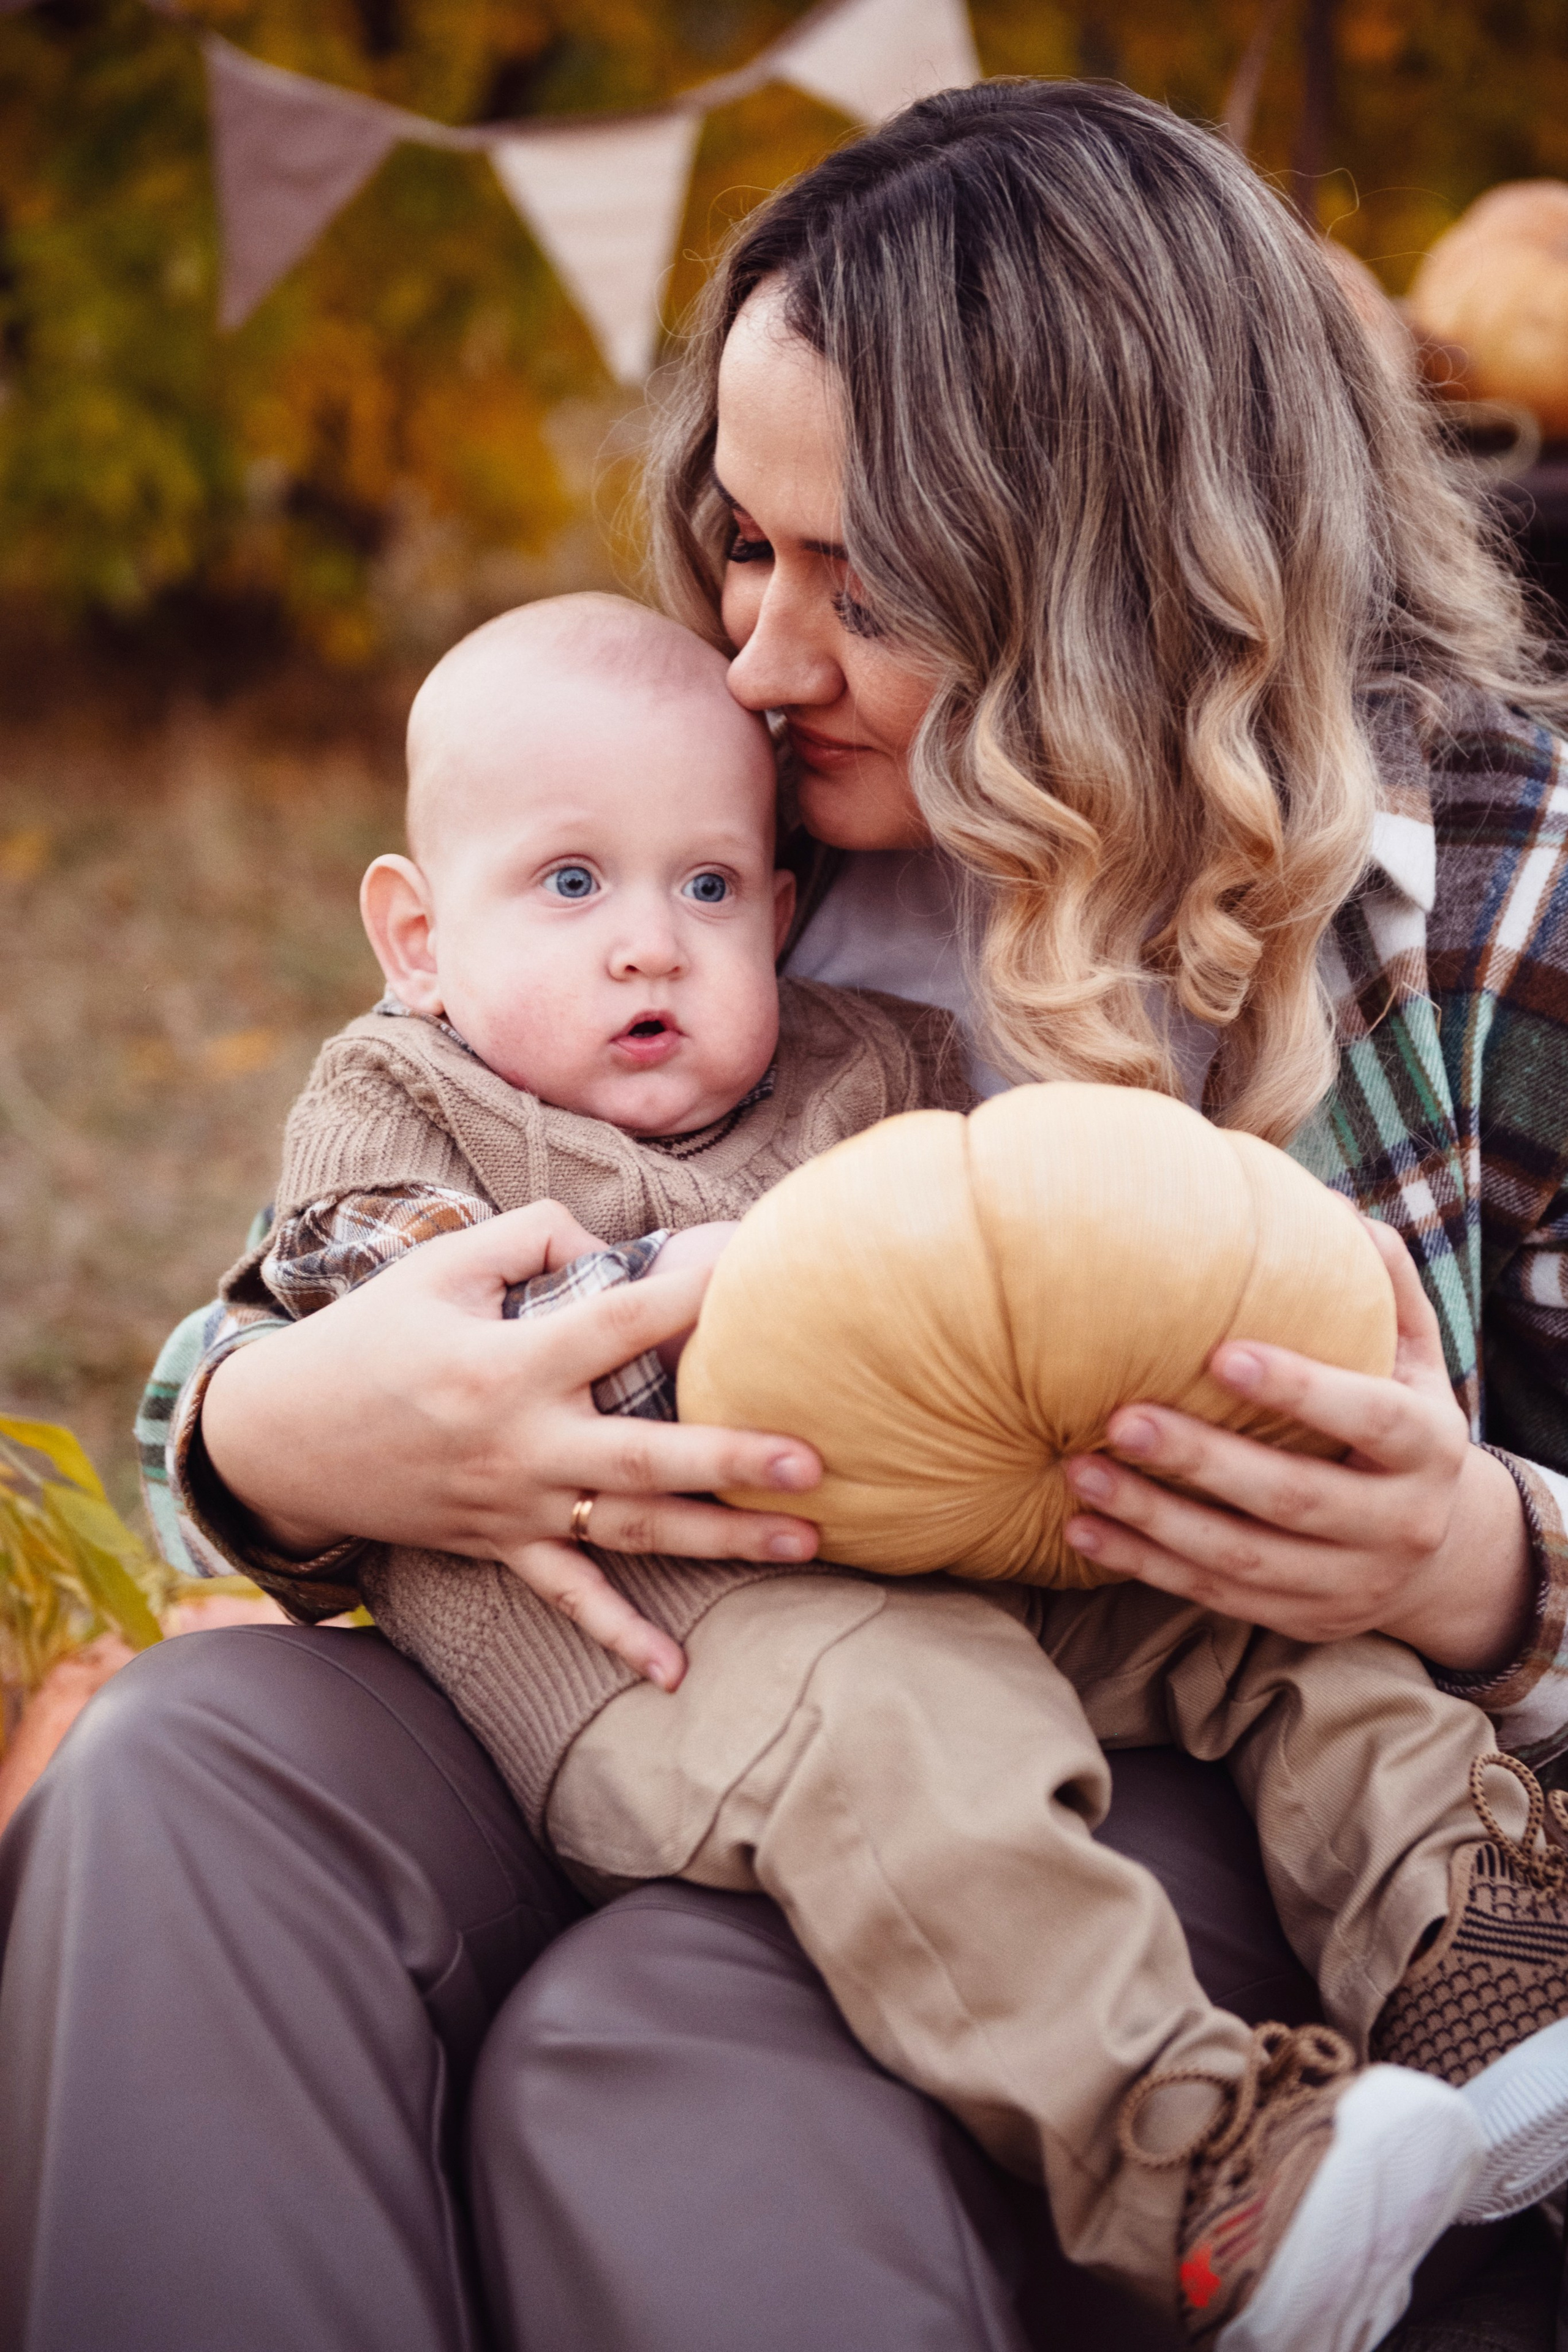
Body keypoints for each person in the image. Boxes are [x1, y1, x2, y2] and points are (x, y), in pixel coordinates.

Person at [5, 74, 1568, 2352]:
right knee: (174, 1783)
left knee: (665, 2036)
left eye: (873, 579)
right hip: (646, 1651)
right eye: (746, 541)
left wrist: (1484, 1560)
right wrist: (271, 1435)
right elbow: (368, 1206)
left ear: (1136, 554)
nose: (759, 649)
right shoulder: (733, 825)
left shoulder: (1491, 902)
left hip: (1176, 1726)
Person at [241, 581, 1568, 2346]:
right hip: (675, 1640)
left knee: (1270, 1622)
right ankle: (1196, 2163)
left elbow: (995, 1266)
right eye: (571, 886)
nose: (647, 943)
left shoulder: (875, 1061)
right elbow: (365, 1293)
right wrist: (672, 1299)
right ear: (416, 935)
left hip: (938, 1539)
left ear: (781, 916)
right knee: (917, 1749)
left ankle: (1481, 1954)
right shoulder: (402, 1098)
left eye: (705, 889)